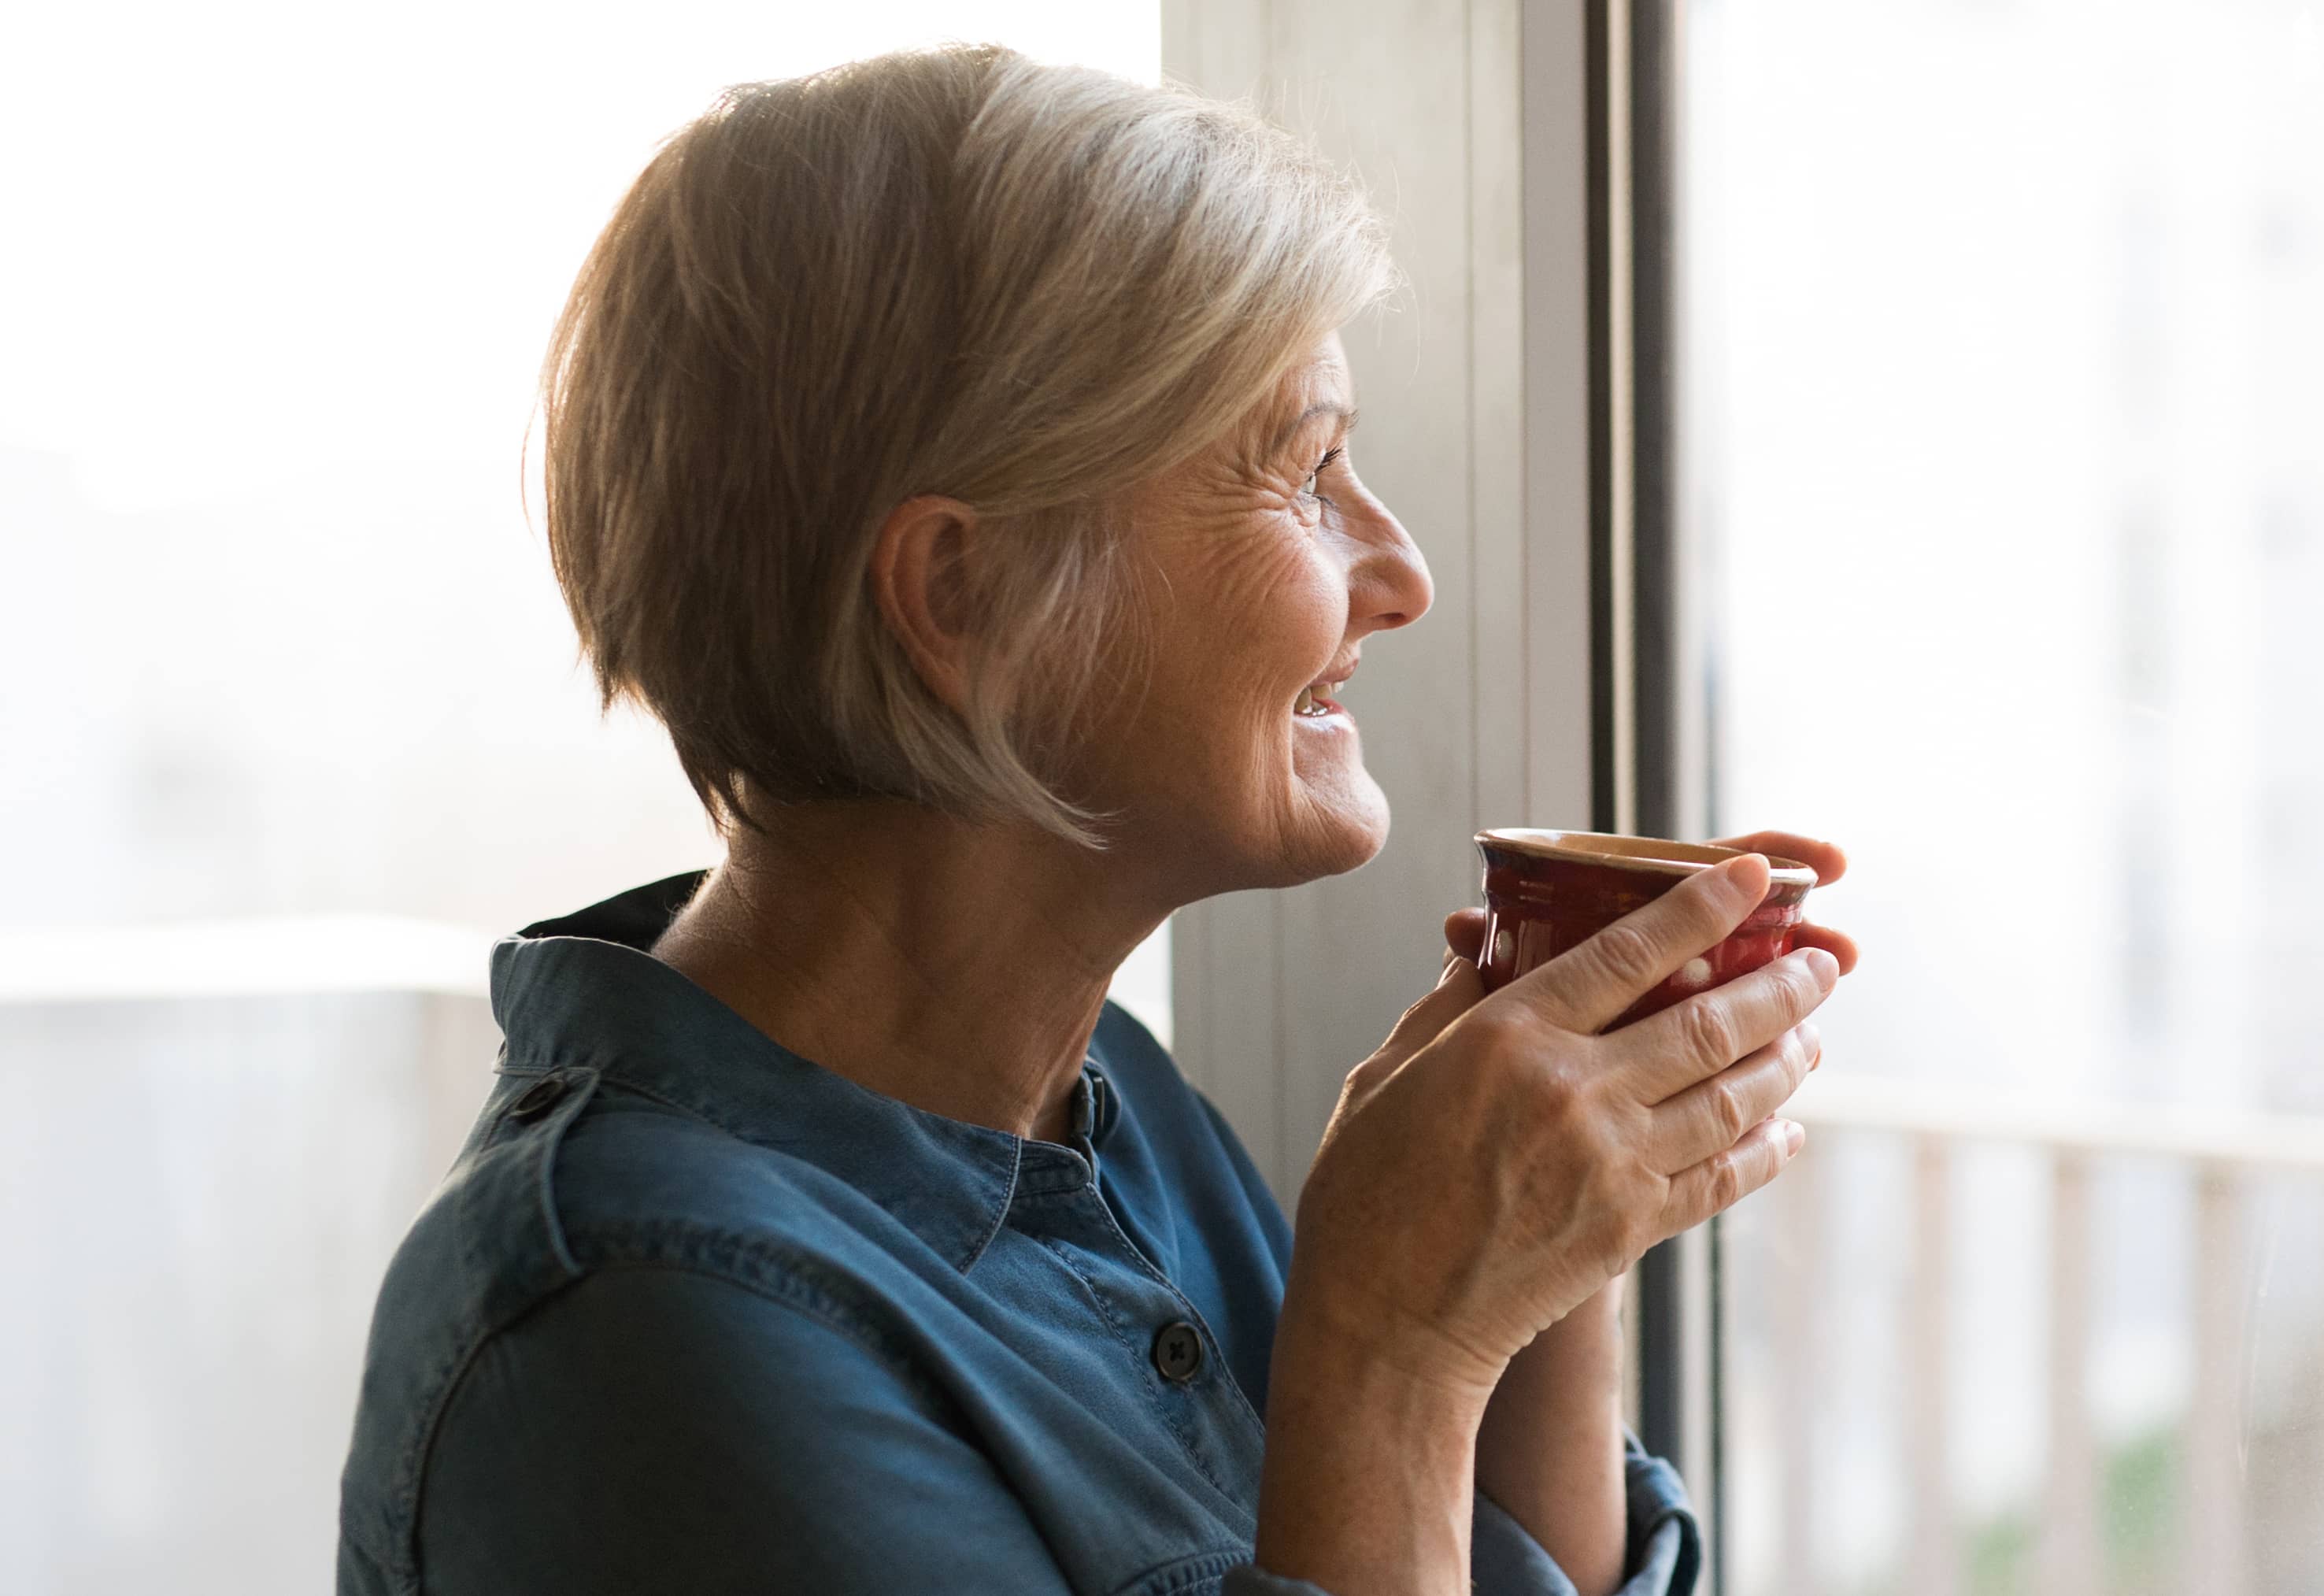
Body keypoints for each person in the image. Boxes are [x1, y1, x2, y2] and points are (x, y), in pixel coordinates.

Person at [335, 46, 1850, 1596]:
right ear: (962, 595)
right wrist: (1391, 1354)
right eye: (1306, 470)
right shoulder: (640, 1335)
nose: (1399, 575)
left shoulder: (1115, 1118)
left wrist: (1542, 1246)